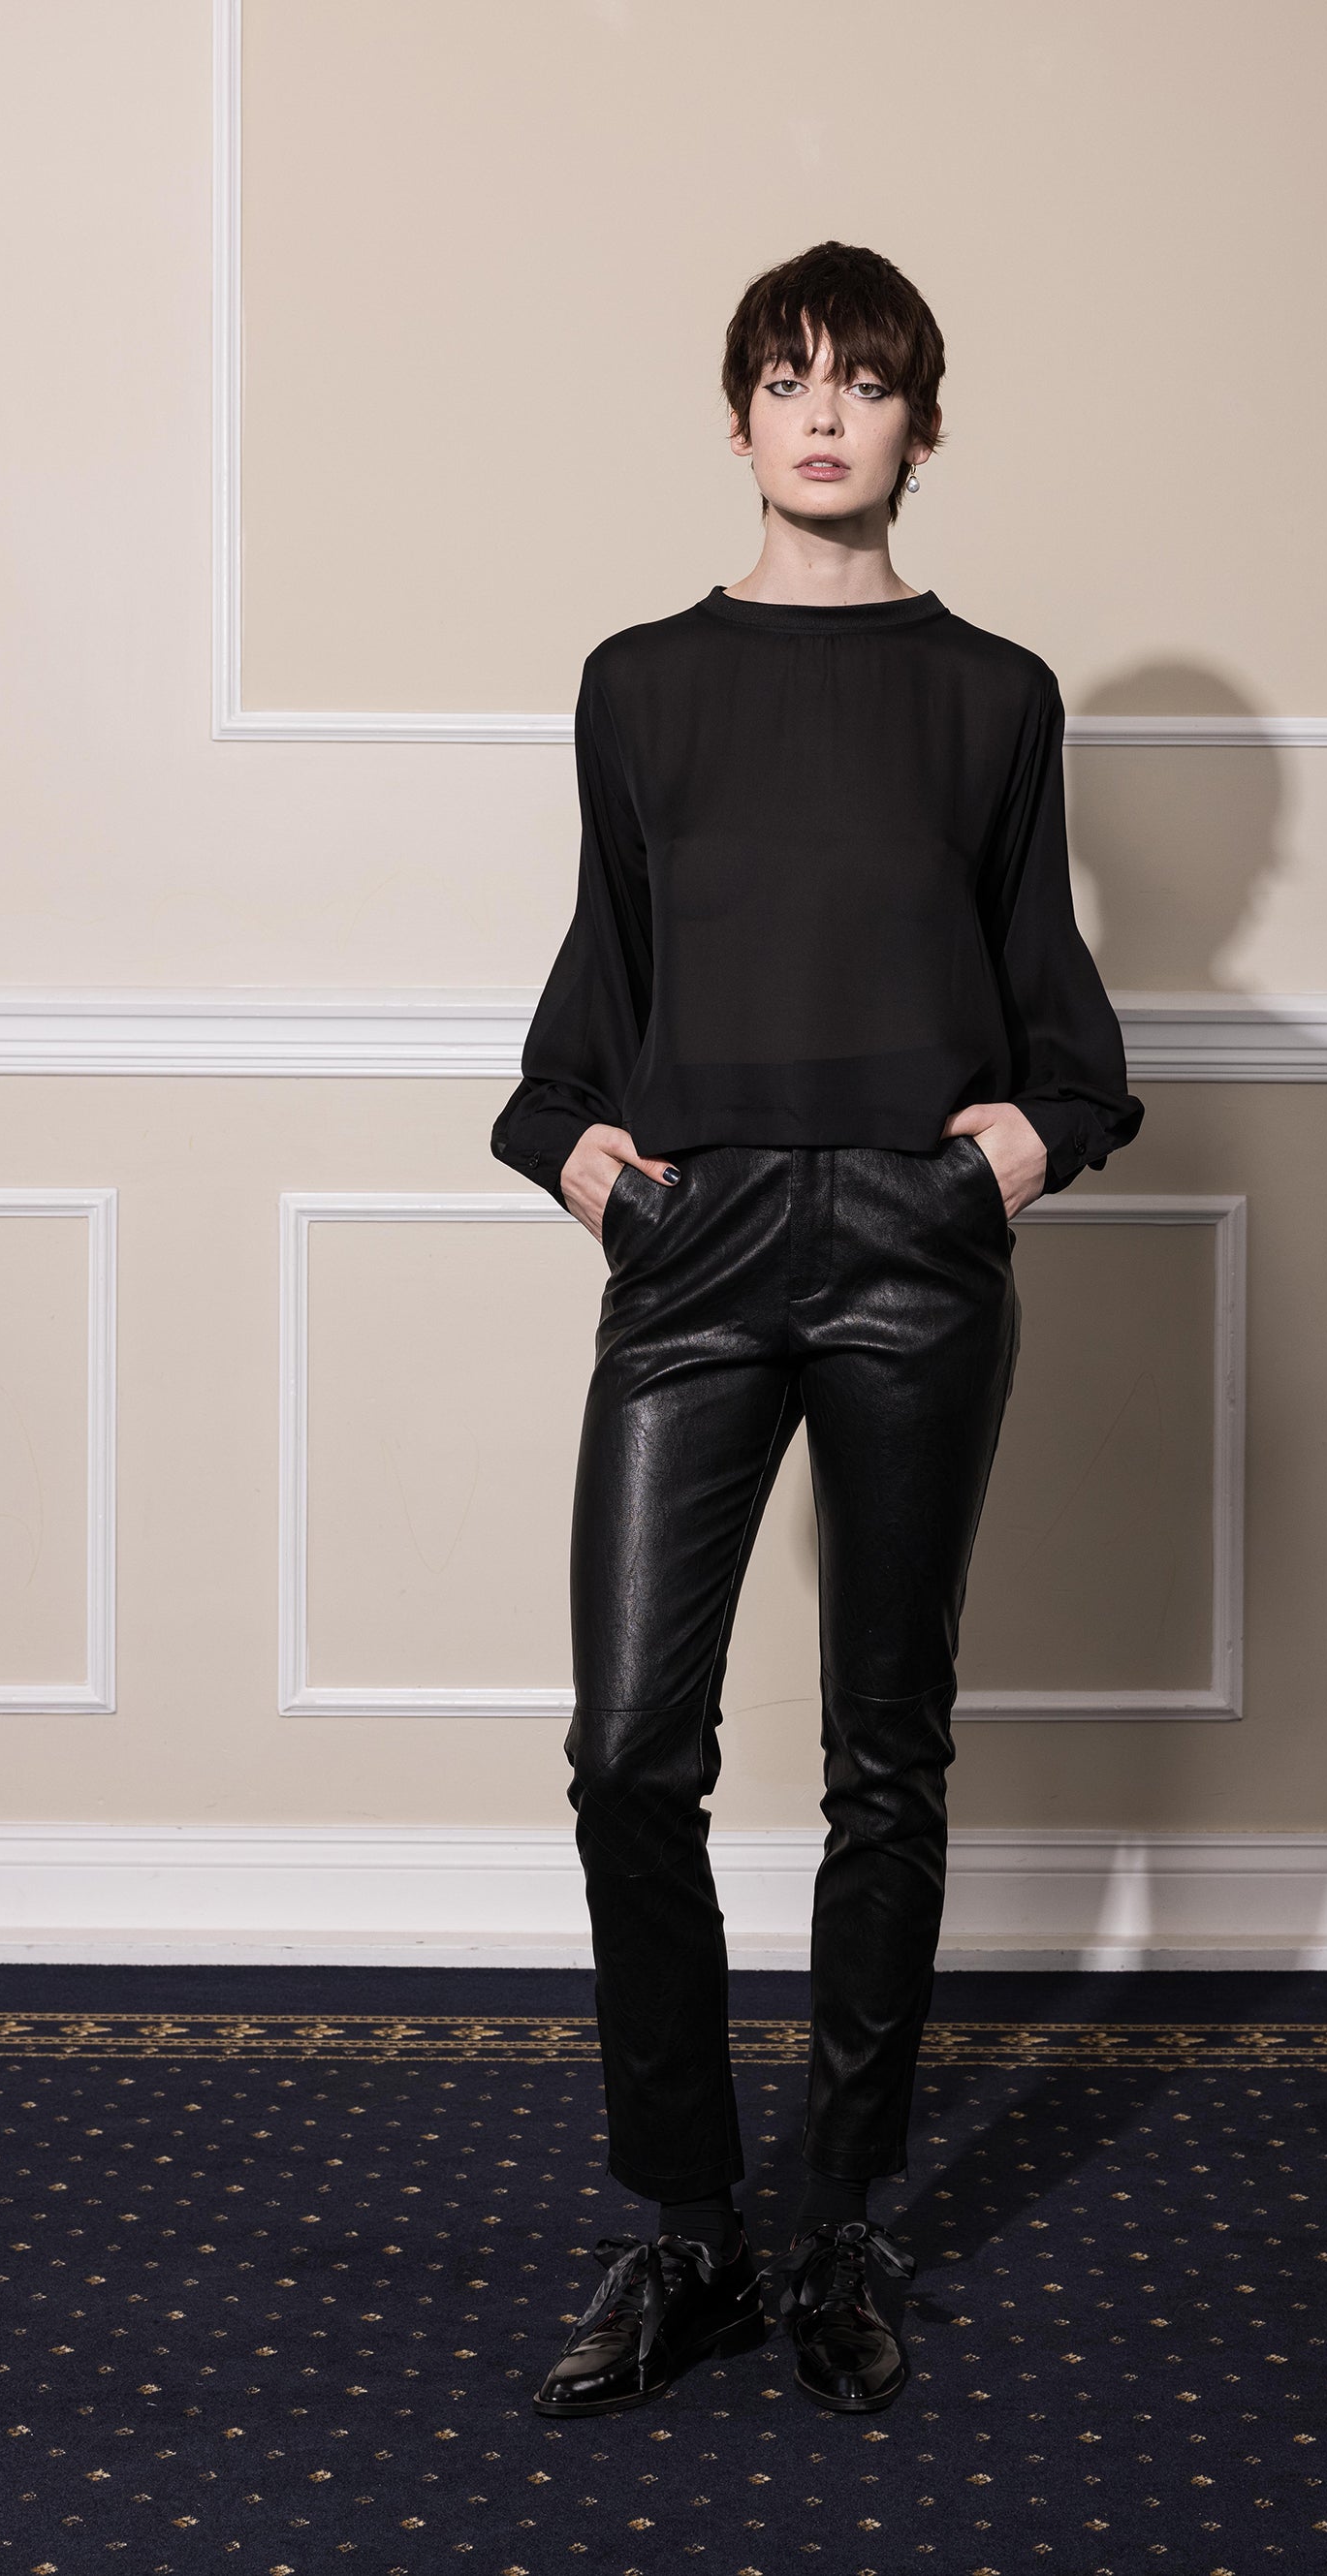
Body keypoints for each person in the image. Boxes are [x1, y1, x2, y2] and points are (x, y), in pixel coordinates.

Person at [491, 239, 1144, 2419]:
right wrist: (575, 1152)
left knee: (887, 1752)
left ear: (921, 428)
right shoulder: (639, 685)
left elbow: (1066, 1038)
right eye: (788, 378)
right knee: (629, 1752)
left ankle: (842, 2215)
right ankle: (688, 2224)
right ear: (739, 417)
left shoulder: (996, 698)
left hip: (909, 1250)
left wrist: (1006, 1160)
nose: (826, 413)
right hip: (691, 1249)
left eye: (865, 381)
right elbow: (593, 999)